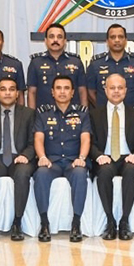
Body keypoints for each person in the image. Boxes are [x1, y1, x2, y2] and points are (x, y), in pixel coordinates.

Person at [33, 75, 92, 242]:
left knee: (81, 174)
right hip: (52, 161)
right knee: (41, 174)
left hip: (74, 161)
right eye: (58, 88)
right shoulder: (43, 113)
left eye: (66, 88)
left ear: (72, 92)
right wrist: (42, 157)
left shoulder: (82, 113)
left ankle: (76, 223)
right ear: (52, 92)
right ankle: (44, 223)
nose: (62, 92)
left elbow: (86, 138)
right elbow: (38, 138)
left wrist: (81, 157)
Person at [0, 77, 36, 242]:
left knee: (23, 173)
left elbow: (34, 142)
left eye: (11, 89)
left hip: (20, 158)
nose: (7, 93)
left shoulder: (29, 114)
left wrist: (26, 155)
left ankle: (17, 223)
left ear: (17, 93)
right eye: (3, 89)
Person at [89, 74, 134, 240]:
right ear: (105, 90)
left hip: (128, 157)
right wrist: (98, 156)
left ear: (126, 91)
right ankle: (110, 221)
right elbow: (88, 142)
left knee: (131, 170)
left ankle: (125, 221)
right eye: (112, 88)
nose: (116, 91)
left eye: (120, 88)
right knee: (104, 173)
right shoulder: (94, 114)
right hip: (105, 157)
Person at [27, 22, 88, 108]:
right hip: (44, 116)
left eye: (59, 37)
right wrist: (32, 118)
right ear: (45, 41)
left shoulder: (76, 62)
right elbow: (31, 92)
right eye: (51, 37)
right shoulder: (36, 63)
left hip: (72, 116)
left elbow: (82, 91)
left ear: (65, 41)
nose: (55, 40)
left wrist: (84, 115)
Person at [86, 23, 134, 107]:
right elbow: (90, 91)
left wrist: (130, 110)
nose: (117, 40)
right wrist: (104, 109)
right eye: (113, 37)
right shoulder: (95, 64)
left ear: (125, 40)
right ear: (107, 41)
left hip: (132, 116)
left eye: (120, 37)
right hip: (103, 116)